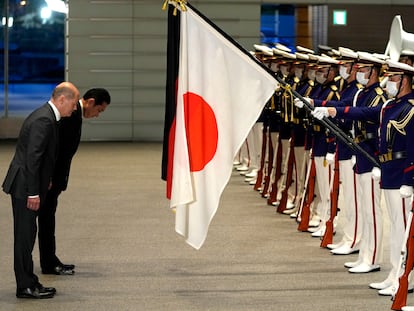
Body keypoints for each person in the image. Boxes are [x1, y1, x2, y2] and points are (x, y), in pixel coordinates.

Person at [2, 82, 80, 299]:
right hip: (25, 186)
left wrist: (44, 181)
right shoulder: (44, 120)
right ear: (62, 99)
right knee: (25, 237)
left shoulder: (47, 116)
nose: (74, 109)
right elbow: (32, 158)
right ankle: (25, 286)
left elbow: (41, 156)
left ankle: (30, 281)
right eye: (73, 104)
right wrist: (33, 192)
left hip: (28, 183)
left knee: (28, 234)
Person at [312, 52, 387, 273]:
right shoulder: (362, 93)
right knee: (364, 209)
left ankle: (371, 258)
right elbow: (347, 105)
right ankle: (364, 253)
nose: (358, 73)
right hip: (361, 155)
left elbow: (363, 113)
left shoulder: (377, 96)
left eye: (363, 69)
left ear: (374, 71)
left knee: (371, 211)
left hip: (371, 157)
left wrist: (333, 110)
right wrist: (315, 103)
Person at [39, 88, 111, 275]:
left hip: (55, 177)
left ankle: (50, 259)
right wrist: (50, 177)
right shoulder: (71, 114)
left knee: (48, 218)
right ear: (91, 101)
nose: (97, 115)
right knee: (46, 219)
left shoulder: (75, 114)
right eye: (99, 110)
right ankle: (48, 262)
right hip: (51, 178)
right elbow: (56, 148)